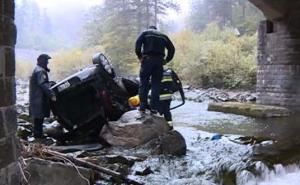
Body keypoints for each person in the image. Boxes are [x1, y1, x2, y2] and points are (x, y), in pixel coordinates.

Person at [135, 25, 175, 118]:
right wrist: (166, 60)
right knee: (156, 85)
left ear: (150, 28)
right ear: (156, 29)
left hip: (147, 60)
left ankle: (142, 107)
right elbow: (172, 49)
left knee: (143, 84)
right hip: (159, 62)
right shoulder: (163, 36)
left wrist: (140, 56)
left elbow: (137, 45)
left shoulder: (145, 33)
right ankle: (153, 109)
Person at [29, 54, 56, 139]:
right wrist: (52, 95)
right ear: (42, 61)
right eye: (46, 60)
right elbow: (43, 84)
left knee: (38, 119)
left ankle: (37, 136)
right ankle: (38, 138)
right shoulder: (40, 71)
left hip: (35, 98)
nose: (47, 62)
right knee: (39, 119)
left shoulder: (36, 69)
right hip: (39, 99)